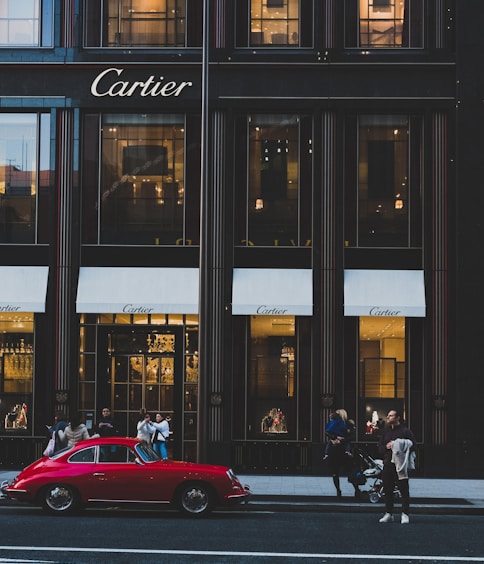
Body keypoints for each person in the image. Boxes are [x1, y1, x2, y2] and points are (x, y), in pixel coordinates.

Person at [378, 409, 416, 524]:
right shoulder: (386, 432)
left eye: (391, 416)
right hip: (388, 464)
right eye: (388, 415)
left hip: (401, 465)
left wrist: (400, 444)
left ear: (398, 417)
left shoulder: (405, 431)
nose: (388, 417)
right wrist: (387, 446)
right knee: (388, 490)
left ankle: (405, 514)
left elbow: (413, 445)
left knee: (404, 490)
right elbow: (380, 448)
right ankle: (388, 513)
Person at [322, 410, 353, 497]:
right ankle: (338, 490)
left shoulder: (348, 424)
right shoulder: (334, 423)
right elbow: (328, 432)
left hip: (343, 448)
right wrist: (334, 438)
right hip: (334, 449)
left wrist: (341, 440)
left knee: (350, 471)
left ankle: (356, 489)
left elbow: (351, 437)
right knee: (335, 472)